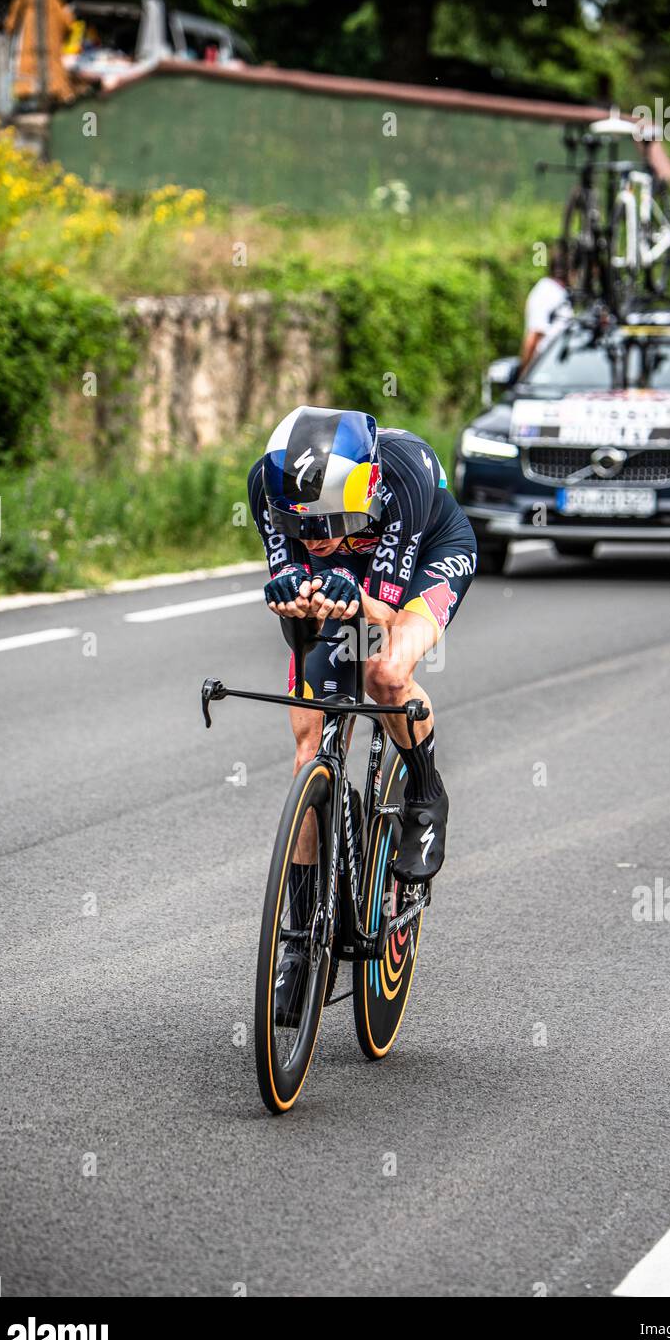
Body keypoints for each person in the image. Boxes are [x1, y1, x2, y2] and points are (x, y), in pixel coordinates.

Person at [248, 407, 476, 1025]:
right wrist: (290, 591)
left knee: (383, 673)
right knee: (308, 745)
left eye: (327, 519)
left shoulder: (401, 476)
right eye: (300, 522)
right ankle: (298, 942)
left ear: (362, 489)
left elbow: (384, 619)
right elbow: (294, 578)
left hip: (428, 554)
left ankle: (426, 790)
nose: (312, 532)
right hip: (347, 574)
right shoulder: (268, 485)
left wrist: (355, 597)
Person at [519, 244, 572, 374]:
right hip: (545, 370)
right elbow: (534, 336)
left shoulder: (559, 293)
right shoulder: (546, 292)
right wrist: (524, 374)